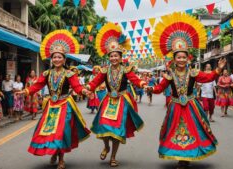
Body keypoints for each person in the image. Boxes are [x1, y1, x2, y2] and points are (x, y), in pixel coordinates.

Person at [148, 13, 225, 168]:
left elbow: (207, 78)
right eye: (179, 57)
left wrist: (218, 70)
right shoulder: (169, 75)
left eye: (184, 57)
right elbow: (159, 88)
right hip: (175, 107)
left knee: (193, 131)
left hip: (190, 107)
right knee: (175, 132)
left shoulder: (193, 73)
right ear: (174, 59)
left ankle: (187, 157)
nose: (181, 60)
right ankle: (180, 157)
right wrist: (149, 87)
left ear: (188, 58)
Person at [16, 30, 91, 169]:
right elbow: (37, 85)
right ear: (51, 59)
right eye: (54, 57)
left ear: (64, 59)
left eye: (59, 57)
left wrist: (85, 91)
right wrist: (25, 91)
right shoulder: (46, 73)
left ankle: (61, 158)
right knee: (49, 131)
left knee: (61, 131)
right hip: (51, 105)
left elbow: (77, 86)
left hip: (64, 104)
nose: (56, 59)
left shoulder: (69, 73)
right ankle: (54, 153)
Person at [87, 22, 147, 167]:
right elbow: (94, 82)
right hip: (108, 100)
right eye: (111, 56)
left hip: (122, 101)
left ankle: (113, 156)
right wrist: (87, 88)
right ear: (109, 57)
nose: (113, 58)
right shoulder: (104, 71)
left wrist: (144, 84)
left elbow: (135, 80)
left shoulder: (126, 70)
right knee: (103, 127)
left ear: (120, 57)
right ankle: (106, 146)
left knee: (116, 130)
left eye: (116, 56)